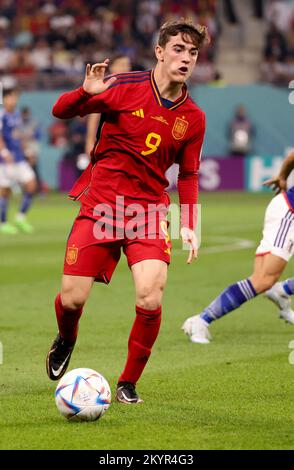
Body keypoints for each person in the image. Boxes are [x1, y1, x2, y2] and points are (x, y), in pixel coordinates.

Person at [46, 18, 208, 404]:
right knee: (72, 299)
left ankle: (128, 383)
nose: (186, 58)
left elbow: (188, 174)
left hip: (148, 213)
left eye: (193, 52)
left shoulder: (194, 118)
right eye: (178, 49)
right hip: (102, 205)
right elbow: (59, 110)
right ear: (160, 52)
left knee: (150, 296)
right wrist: (83, 94)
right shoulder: (123, 87)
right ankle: (66, 337)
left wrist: (189, 223)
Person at [182, 150, 294, 344]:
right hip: (289, 214)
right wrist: (282, 177)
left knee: (266, 281)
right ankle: (200, 320)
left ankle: (282, 290)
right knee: (262, 280)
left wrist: (283, 176)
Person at [0, 88, 37, 234]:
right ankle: (3, 224)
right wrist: (4, 152)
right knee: (5, 192)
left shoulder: (17, 115)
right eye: (11, 97)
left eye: (15, 97)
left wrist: (27, 151)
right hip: (5, 160)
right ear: (5, 99)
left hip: (19, 159)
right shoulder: (2, 115)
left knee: (32, 185)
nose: (14, 100)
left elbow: (19, 135)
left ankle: (20, 217)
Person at [85, 54, 132, 156]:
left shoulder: (133, 90)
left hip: (127, 144)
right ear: (112, 67)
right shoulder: (103, 87)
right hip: (106, 144)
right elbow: (94, 116)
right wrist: (89, 141)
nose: (125, 68)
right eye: (121, 65)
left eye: (127, 65)